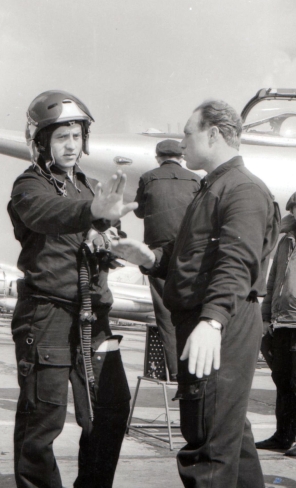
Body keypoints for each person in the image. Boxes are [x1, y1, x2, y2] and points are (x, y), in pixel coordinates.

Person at [111, 100, 281, 488]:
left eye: (189, 132)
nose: (182, 142)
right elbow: (193, 253)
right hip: (211, 318)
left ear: (214, 134)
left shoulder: (242, 190)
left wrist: (212, 320)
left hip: (221, 321)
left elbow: (238, 261)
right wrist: (151, 258)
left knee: (207, 446)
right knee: (230, 439)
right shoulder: (212, 188)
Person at [7, 90, 137, 488]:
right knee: (41, 423)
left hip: (93, 316)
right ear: (42, 141)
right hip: (47, 315)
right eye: (62, 137)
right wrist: (92, 214)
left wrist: (110, 241)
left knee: (111, 411)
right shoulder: (29, 186)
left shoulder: (89, 187)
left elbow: (102, 224)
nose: (71, 145)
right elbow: (46, 214)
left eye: (77, 136)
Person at [134, 139, 200, 379]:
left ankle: (176, 373)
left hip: (159, 255)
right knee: (192, 310)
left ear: (157, 157)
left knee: (166, 314)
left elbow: (140, 211)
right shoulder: (195, 179)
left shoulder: (148, 177)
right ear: (181, 157)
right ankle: (195, 372)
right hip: (189, 251)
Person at [255, 192, 296, 457]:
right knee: (282, 381)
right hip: (280, 324)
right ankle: (283, 436)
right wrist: (266, 316)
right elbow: (273, 282)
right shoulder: (285, 242)